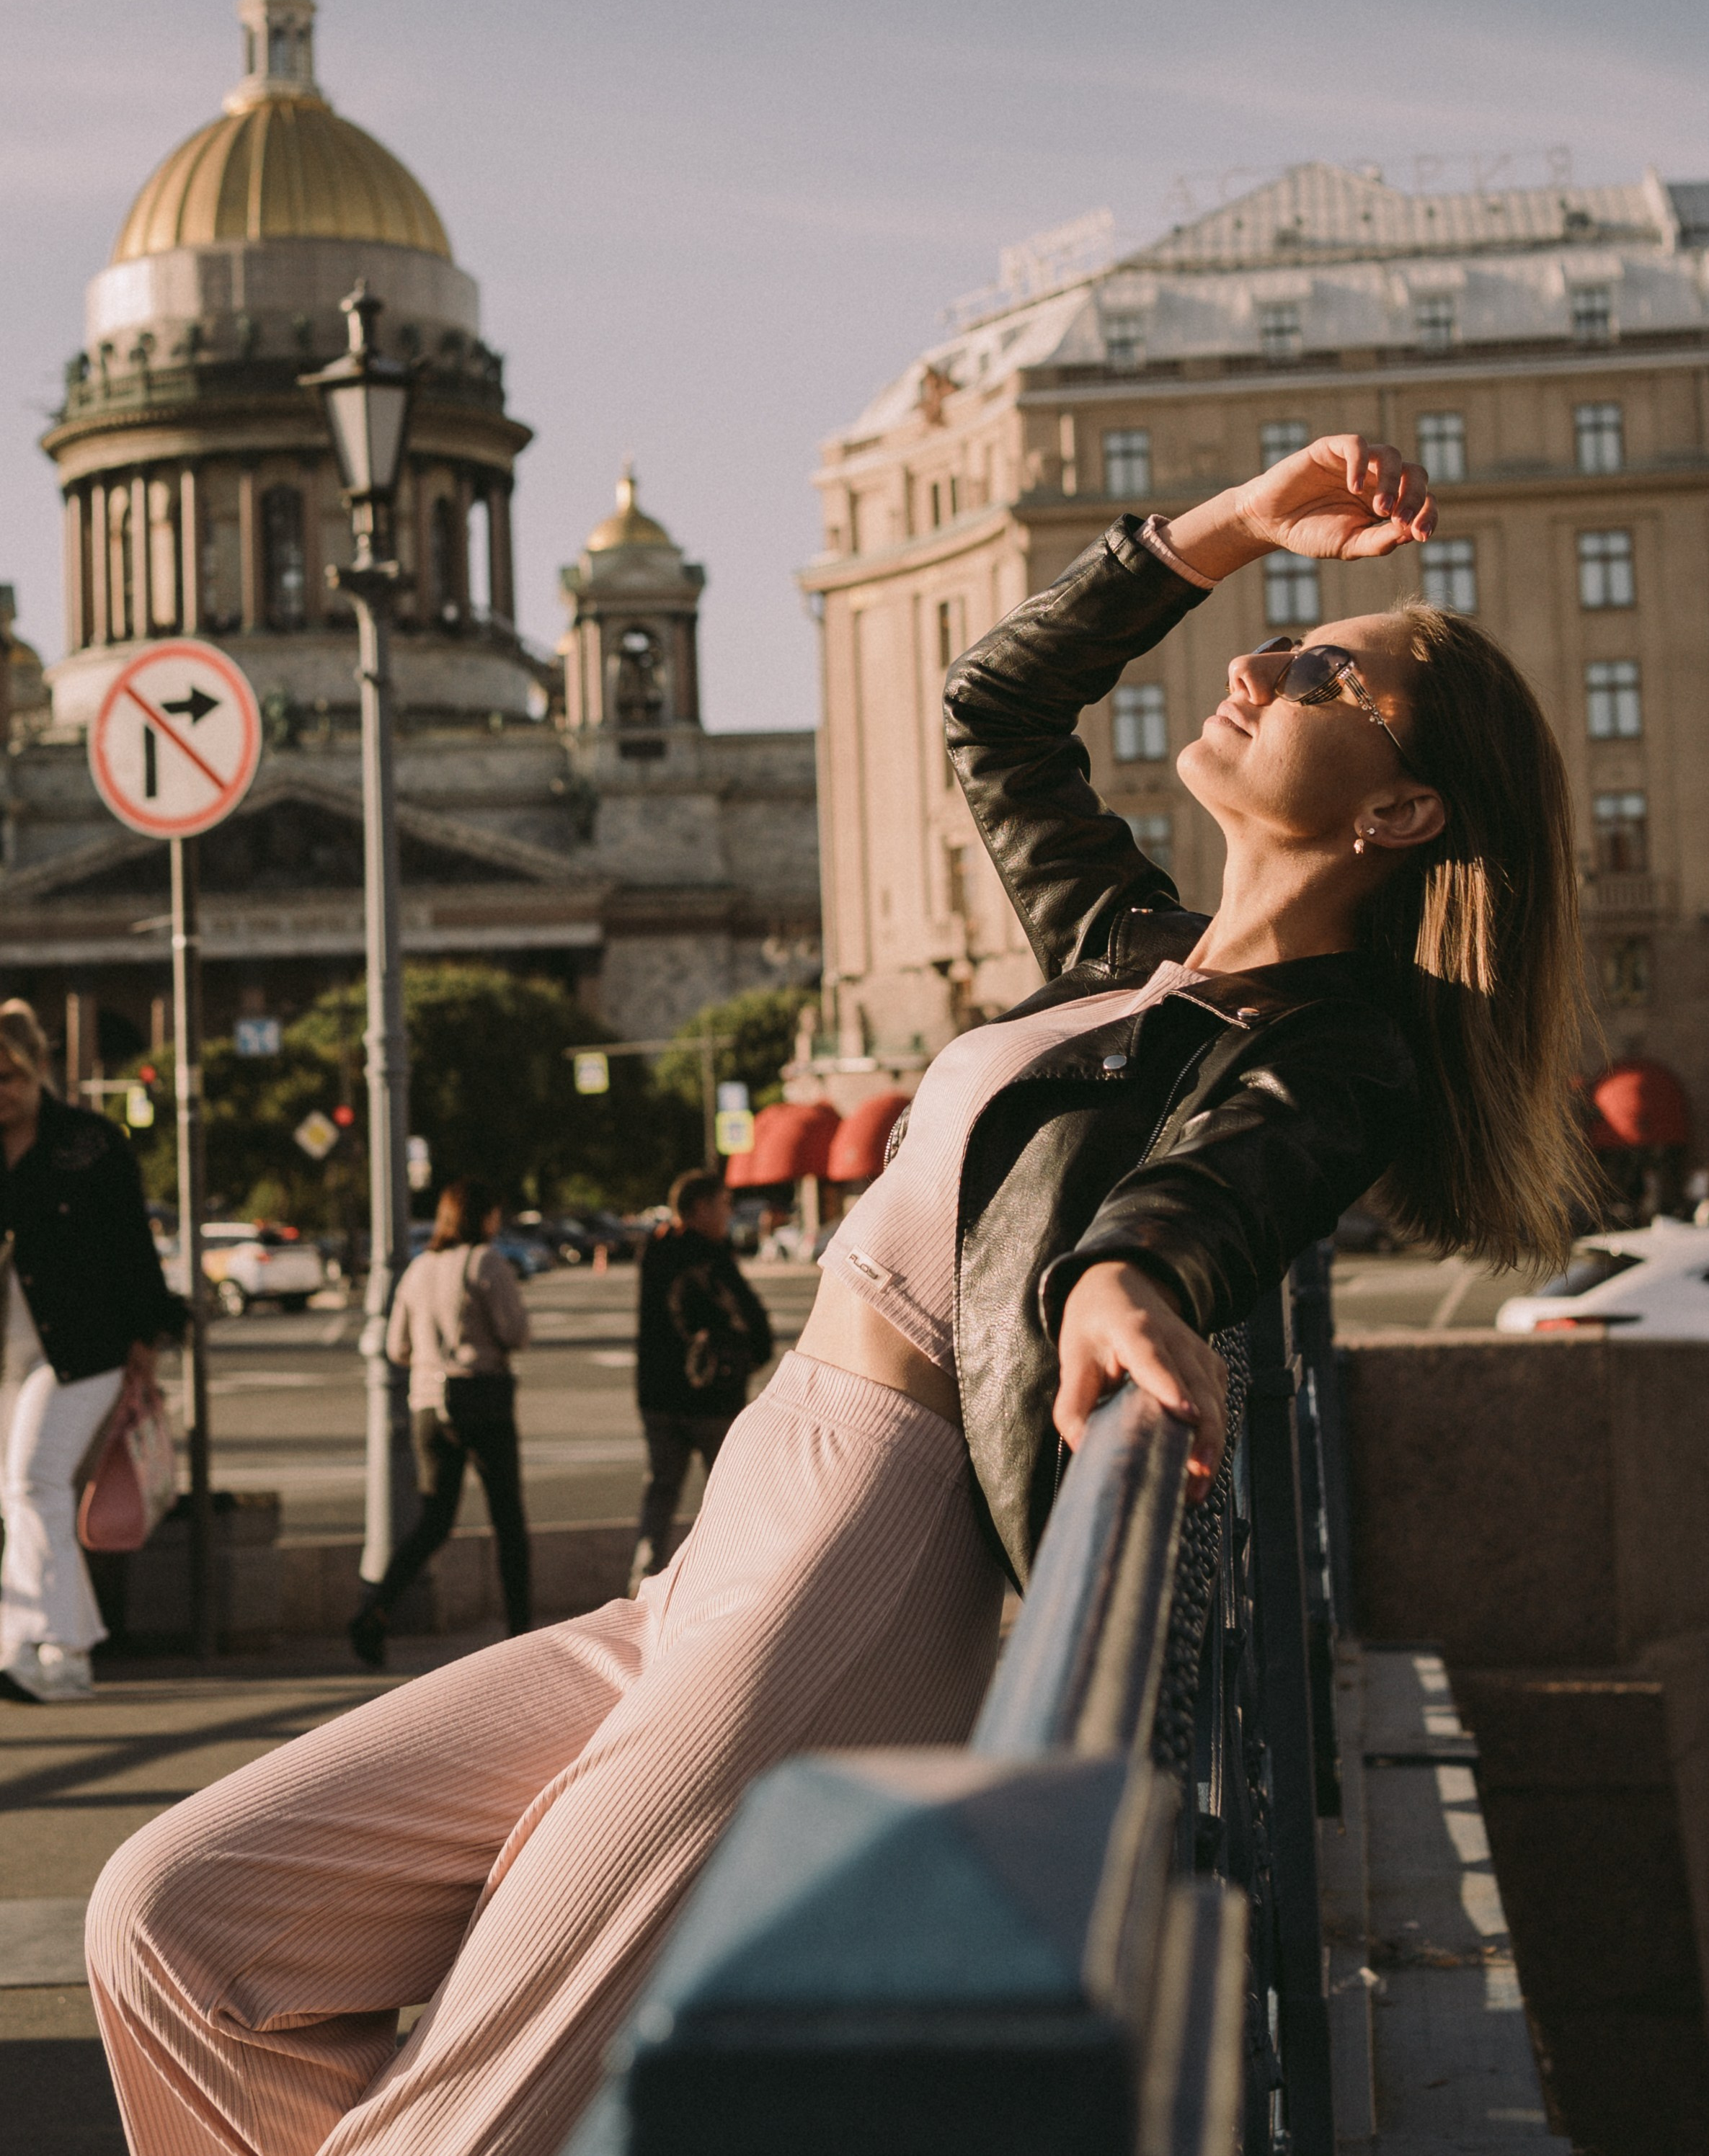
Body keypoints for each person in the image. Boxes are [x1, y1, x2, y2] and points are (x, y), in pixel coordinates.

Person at [89, 437, 1594, 2156]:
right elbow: (994, 708)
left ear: (1397, 814)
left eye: (1330, 669)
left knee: (463, 2125)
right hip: (738, 1531)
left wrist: (1122, 1277)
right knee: (172, 1921)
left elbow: (1220, 1191)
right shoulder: (1130, 953)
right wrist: (1237, 525)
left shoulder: (1343, 1051)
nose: (1258, 663)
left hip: (861, 1561)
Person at [0, 999, 186, 1703]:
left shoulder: (88, 1142)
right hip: (7, 1353)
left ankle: (61, 1649)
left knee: (33, 1481)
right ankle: (38, 1647)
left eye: (9, 1076)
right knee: (16, 1495)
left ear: (36, 1067)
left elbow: (130, 1246)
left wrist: (146, 1334)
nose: (1, 1092)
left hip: (82, 1346)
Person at [347, 1180, 532, 1669]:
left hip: (429, 1406)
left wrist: (431, 1358)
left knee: (434, 1520)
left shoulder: (418, 1268)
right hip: (483, 1401)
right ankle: (521, 1636)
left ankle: (375, 1608)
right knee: (508, 1520)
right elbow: (516, 1332)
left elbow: (396, 1349)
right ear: (481, 1217)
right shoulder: (487, 1263)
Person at [629, 1170, 773, 1593]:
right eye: (724, 1204)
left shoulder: (654, 1250)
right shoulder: (708, 1256)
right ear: (700, 1209)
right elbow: (748, 1314)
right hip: (712, 1396)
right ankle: (731, 1588)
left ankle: (639, 1586)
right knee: (728, 1498)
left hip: (657, 1397)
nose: (730, 1213)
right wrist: (754, 1353)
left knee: (660, 1493)